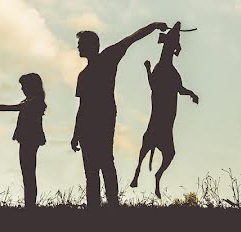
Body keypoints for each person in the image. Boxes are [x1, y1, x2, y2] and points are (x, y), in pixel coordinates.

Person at [71, 21, 169, 207]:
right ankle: (95, 207)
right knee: (91, 168)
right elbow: (82, 106)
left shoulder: (108, 57)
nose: (78, 47)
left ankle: (113, 205)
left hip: (104, 118)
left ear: (90, 45)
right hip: (88, 124)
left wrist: (154, 26)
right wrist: (76, 133)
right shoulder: (82, 75)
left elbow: (132, 38)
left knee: (105, 161)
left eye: (80, 43)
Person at [128, 21, 199, 198]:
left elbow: (157, 85)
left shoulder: (167, 72)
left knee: (161, 150)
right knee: (165, 151)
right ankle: (138, 173)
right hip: (162, 121)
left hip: (164, 123)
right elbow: (156, 86)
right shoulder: (171, 73)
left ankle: (153, 176)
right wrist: (148, 70)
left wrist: (148, 69)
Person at [0, 73, 47, 208]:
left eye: (24, 86)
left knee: (28, 173)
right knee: (27, 173)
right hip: (27, 139)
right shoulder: (31, 101)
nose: (22, 89)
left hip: (29, 139)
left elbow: (10, 107)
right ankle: (29, 204)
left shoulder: (35, 102)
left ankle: (30, 205)